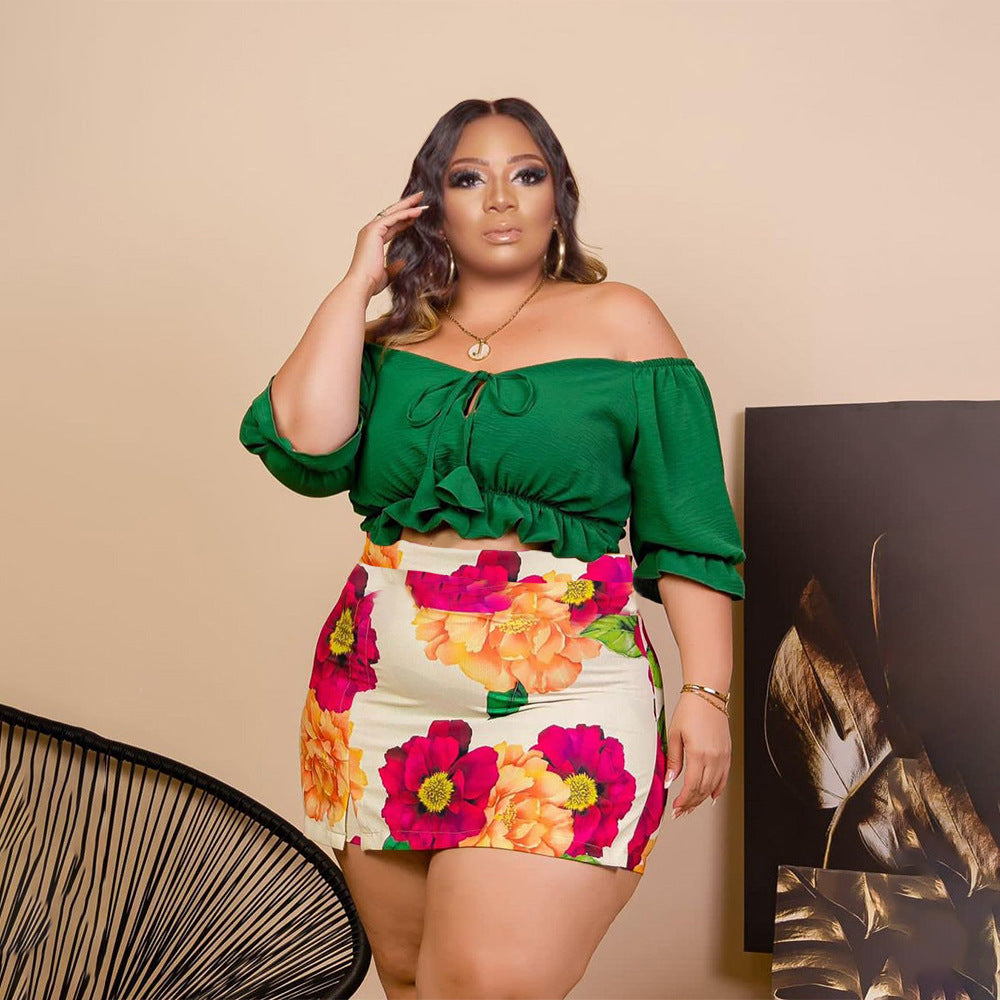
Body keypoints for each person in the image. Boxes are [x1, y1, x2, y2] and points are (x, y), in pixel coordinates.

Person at [239, 97, 746, 1000]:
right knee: (408, 978)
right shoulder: (389, 340)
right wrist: (358, 283)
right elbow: (307, 445)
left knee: (481, 984)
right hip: (375, 697)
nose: (502, 199)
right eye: (469, 178)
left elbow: (689, 525)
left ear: (560, 197)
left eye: (528, 175)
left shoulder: (623, 321)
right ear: (431, 205)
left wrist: (707, 691)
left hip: (567, 699)